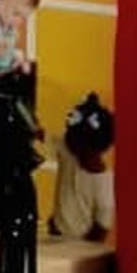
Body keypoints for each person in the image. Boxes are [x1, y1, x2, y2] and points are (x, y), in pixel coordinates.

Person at [50, 92, 115, 243]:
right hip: (56, 236)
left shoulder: (105, 185)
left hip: (78, 247)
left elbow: (101, 228)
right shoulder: (69, 153)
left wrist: (82, 249)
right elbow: (45, 136)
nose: (75, 152)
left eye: (80, 149)